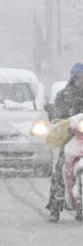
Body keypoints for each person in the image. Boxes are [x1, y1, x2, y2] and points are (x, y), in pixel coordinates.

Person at [45, 62, 83, 222]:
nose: (82, 81)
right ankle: (55, 205)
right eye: (79, 78)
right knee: (60, 169)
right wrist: (54, 114)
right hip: (71, 138)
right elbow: (58, 114)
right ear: (73, 78)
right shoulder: (64, 95)